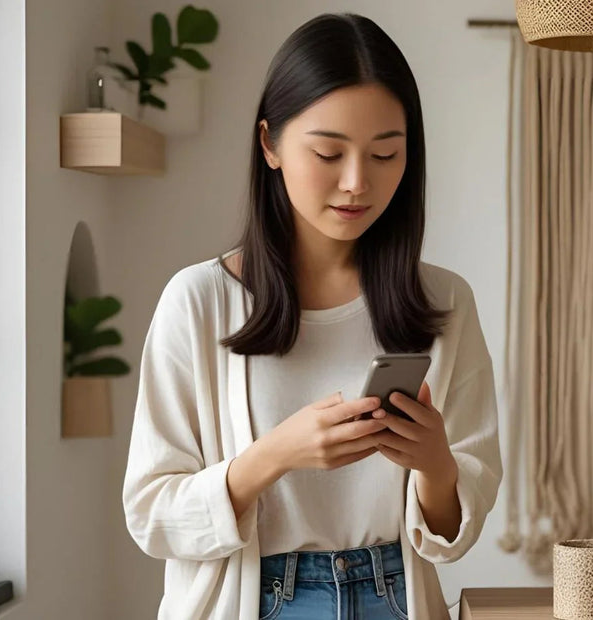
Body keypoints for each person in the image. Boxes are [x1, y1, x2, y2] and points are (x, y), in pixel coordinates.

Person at [122, 12, 503, 620]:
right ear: (269, 144)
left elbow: (453, 533)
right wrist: (274, 455)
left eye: (385, 154)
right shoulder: (198, 301)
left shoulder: (446, 302)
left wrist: (435, 465)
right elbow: (151, 515)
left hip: (395, 598)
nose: (357, 182)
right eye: (328, 152)